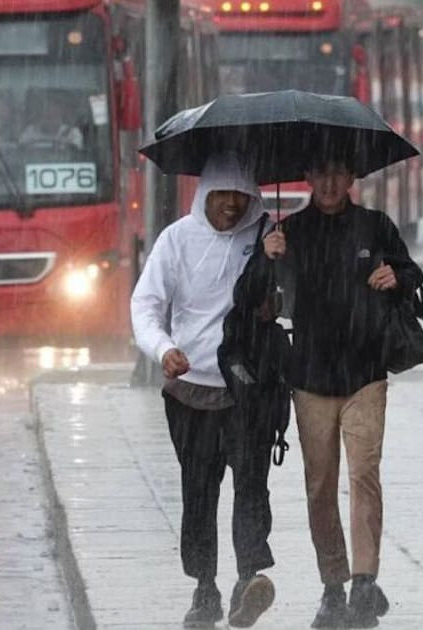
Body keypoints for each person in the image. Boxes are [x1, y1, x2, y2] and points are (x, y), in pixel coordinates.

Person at [238, 155, 423, 628]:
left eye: (339, 173)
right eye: (320, 173)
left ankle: (365, 581)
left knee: (364, 474)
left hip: (366, 374)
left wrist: (398, 276)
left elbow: (412, 274)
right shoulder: (288, 231)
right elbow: (249, 296)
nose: (329, 182)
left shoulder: (375, 225)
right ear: (309, 177)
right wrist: (267, 255)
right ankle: (333, 585)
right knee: (320, 485)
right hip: (311, 378)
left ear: (352, 179)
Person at [130, 153, 278, 629]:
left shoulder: (267, 240)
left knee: (251, 485)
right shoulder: (176, 240)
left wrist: (276, 280)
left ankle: (249, 578)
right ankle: (205, 589)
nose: (232, 206)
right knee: (199, 491)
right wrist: (163, 348)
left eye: (242, 196)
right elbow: (146, 304)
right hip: (190, 391)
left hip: (248, 390)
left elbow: (289, 303)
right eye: (222, 195)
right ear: (204, 196)